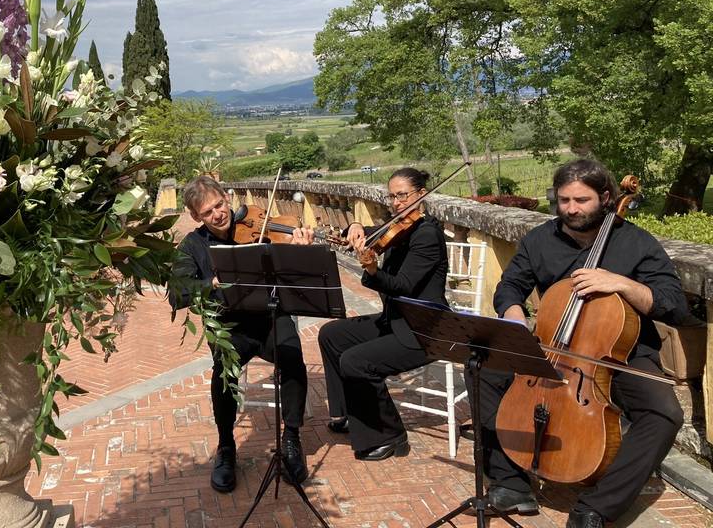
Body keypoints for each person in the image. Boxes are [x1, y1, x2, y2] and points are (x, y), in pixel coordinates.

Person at [479, 159, 687, 528]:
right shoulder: (540, 238)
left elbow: (673, 303)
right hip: (554, 343)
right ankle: (511, 482)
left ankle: (597, 506)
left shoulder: (636, 242)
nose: (571, 209)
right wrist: (513, 316)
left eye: (581, 200)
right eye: (563, 200)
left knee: (664, 413)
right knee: (485, 372)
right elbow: (510, 286)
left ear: (606, 198)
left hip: (620, 351)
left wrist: (622, 283)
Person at [168, 175, 316, 493]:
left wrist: (301, 251)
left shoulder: (260, 227)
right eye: (208, 212)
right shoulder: (193, 245)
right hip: (230, 326)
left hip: (270, 318)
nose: (218, 214)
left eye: (220, 204)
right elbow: (177, 292)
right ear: (196, 217)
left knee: (292, 358)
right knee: (224, 372)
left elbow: (295, 273)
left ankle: (291, 436)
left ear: (227, 197)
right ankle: (226, 448)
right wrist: (209, 285)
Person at [317, 167, 448, 460]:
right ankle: (346, 414)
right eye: (392, 196)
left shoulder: (426, 235)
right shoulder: (398, 228)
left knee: (356, 361)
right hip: (397, 321)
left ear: (421, 195)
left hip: (423, 330)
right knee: (332, 335)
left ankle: (391, 436)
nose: (397, 203)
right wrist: (354, 224)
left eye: (403, 195)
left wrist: (373, 269)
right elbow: (368, 230)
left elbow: (403, 286)